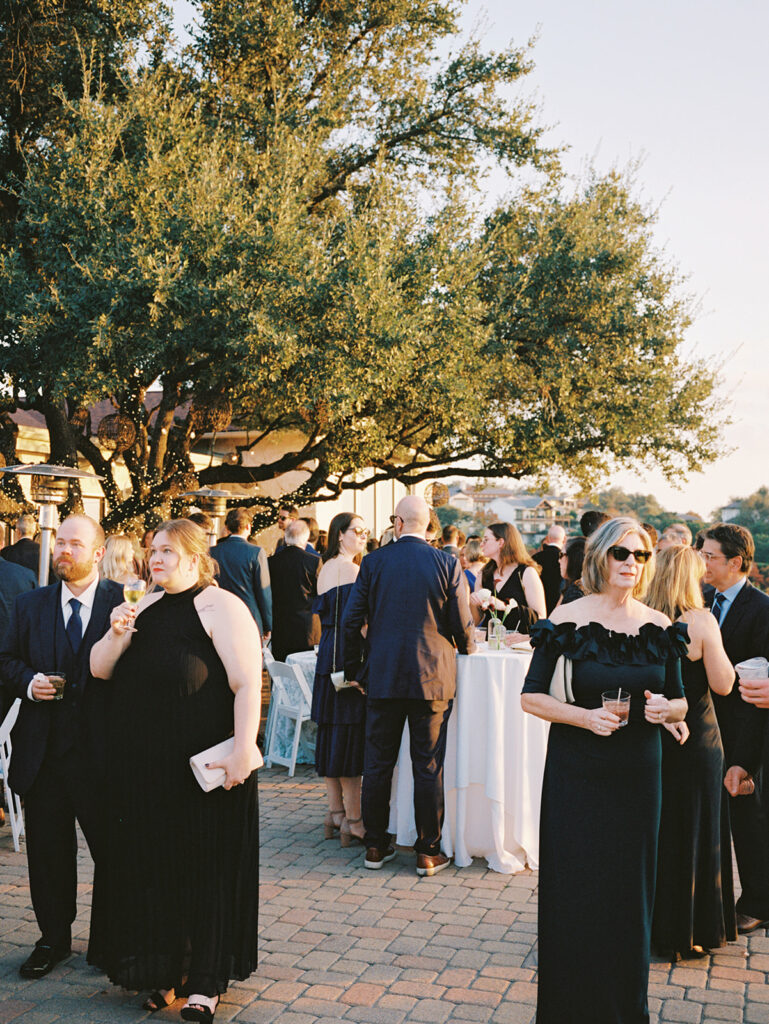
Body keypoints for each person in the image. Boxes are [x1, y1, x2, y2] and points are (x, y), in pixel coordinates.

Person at [89, 520, 262, 1022]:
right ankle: (165, 970)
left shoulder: (220, 605)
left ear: (194, 557)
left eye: (166, 550)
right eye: (152, 550)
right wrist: (117, 632)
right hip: (146, 768)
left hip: (202, 768)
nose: (155, 558)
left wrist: (242, 752)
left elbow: (247, 683)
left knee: (203, 870)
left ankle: (205, 981)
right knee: (156, 868)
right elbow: (99, 669)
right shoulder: (140, 606)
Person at [521, 517, 687, 1024]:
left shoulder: (660, 626)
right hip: (579, 773)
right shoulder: (567, 619)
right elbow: (531, 697)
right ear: (600, 558)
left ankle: (623, 1010)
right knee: (576, 892)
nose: (630, 564)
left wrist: (667, 711)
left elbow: (681, 702)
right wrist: (582, 716)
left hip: (639, 775)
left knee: (629, 895)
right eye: (620, 553)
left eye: (639, 555)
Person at [0, 515, 123, 980]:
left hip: (103, 755)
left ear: (98, 551)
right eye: (61, 543)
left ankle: (109, 943)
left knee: (112, 850)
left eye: (76, 543)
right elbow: (5, 660)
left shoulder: (124, 601)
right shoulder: (31, 604)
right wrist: (28, 683)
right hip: (44, 753)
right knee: (48, 855)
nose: (64, 551)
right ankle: (53, 938)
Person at [343, 495, 476, 876]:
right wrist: (468, 646)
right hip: (432, 675)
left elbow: (353, 620)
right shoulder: (447, 563)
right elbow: (458, 621)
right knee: (428, 765)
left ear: (398, 523)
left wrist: (356, 670)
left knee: (378, 763)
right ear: (427, 525)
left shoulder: (373, 562)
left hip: (383, 675)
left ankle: (373, 845)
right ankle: (428, 851)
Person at [645, 545, 736, 959]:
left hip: (652, 738)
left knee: (660, 832)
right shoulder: (700, 621)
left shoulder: (642, 618)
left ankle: (653, 926)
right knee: (698, 832)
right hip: (697, 735)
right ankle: (692, 930)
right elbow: (723, 684)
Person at [702, 522, 769, 933]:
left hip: (746, 730)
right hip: (708, 727)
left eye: (710, 556)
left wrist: (745, 757)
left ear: (736, 562)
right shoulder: (703, 599)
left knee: (748, 820)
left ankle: (759, 902)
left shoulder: (761, 609)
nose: (703, 562)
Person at [311, 513, 368, 846]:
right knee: (347, 738)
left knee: (332, 734)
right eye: (355, 531)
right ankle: (355, 820)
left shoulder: (326, 566)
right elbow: (359, 623)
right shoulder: (350, 569)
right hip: (345, 654)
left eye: (365, 532)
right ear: (340, 535)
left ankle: (335, 814)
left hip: (328, 652)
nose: (362, 536)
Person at [469, 523, 546, 634]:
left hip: (518, 646)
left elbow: (541, 617)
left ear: (500, 542)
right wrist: (473, 603)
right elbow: (475, 621)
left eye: (486, 540)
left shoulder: (527, 572)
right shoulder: (484, 574)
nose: (481, 545)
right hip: (490, 644)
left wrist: (504, 607)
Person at [211, 508, 272, 642]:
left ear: (227, 527)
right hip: (249, 616)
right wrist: (267, 624)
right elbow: (263, 591)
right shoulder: (256, 552)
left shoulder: (213, 551)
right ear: (248, 526)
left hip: (220, 614)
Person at [268, 518, 321, 661]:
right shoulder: (314, 562)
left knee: (281, 673)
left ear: (286, 537)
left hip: (280, 628)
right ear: (306, 537)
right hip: (308, 630)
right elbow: (321, 595)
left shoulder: (271, 562)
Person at [532, 524, 566, 615]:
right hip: (558, 608)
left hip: (536, 606)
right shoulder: (565, 560)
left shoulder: (534, 558)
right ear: (564, 539)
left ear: (548, 538)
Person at [558, 536, 586, 606]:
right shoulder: (580, 589)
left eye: (561, 555)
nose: (559, 560)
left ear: (573, 558)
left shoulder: (575, 594)